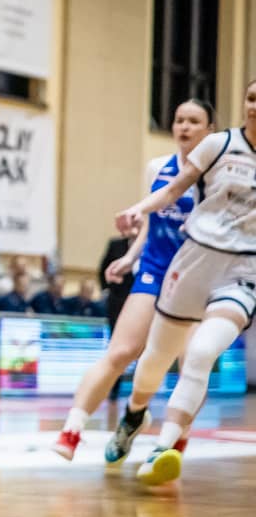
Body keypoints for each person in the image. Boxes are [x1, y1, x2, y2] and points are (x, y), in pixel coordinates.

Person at [52, 99, 214, 462]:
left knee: (192, 363)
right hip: (155, 270)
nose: (184, 127)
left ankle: (174, 438)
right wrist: (129, 258)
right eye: (179, 120)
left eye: (193, 121)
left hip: (196, 278)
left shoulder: (217, 174)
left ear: (210, 131)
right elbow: (150, 223)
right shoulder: (157, 167)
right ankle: (72, 431)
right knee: (121, 351)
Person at [107, 89, 252, 485]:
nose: (255, 105)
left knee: (201, 353)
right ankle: (135, 414)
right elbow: (172, 190)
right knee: (156, 358)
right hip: (194, 262)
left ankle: (165, 447)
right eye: (251, 97)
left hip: (243, 272)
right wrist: (139, 208)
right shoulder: (220, 145)